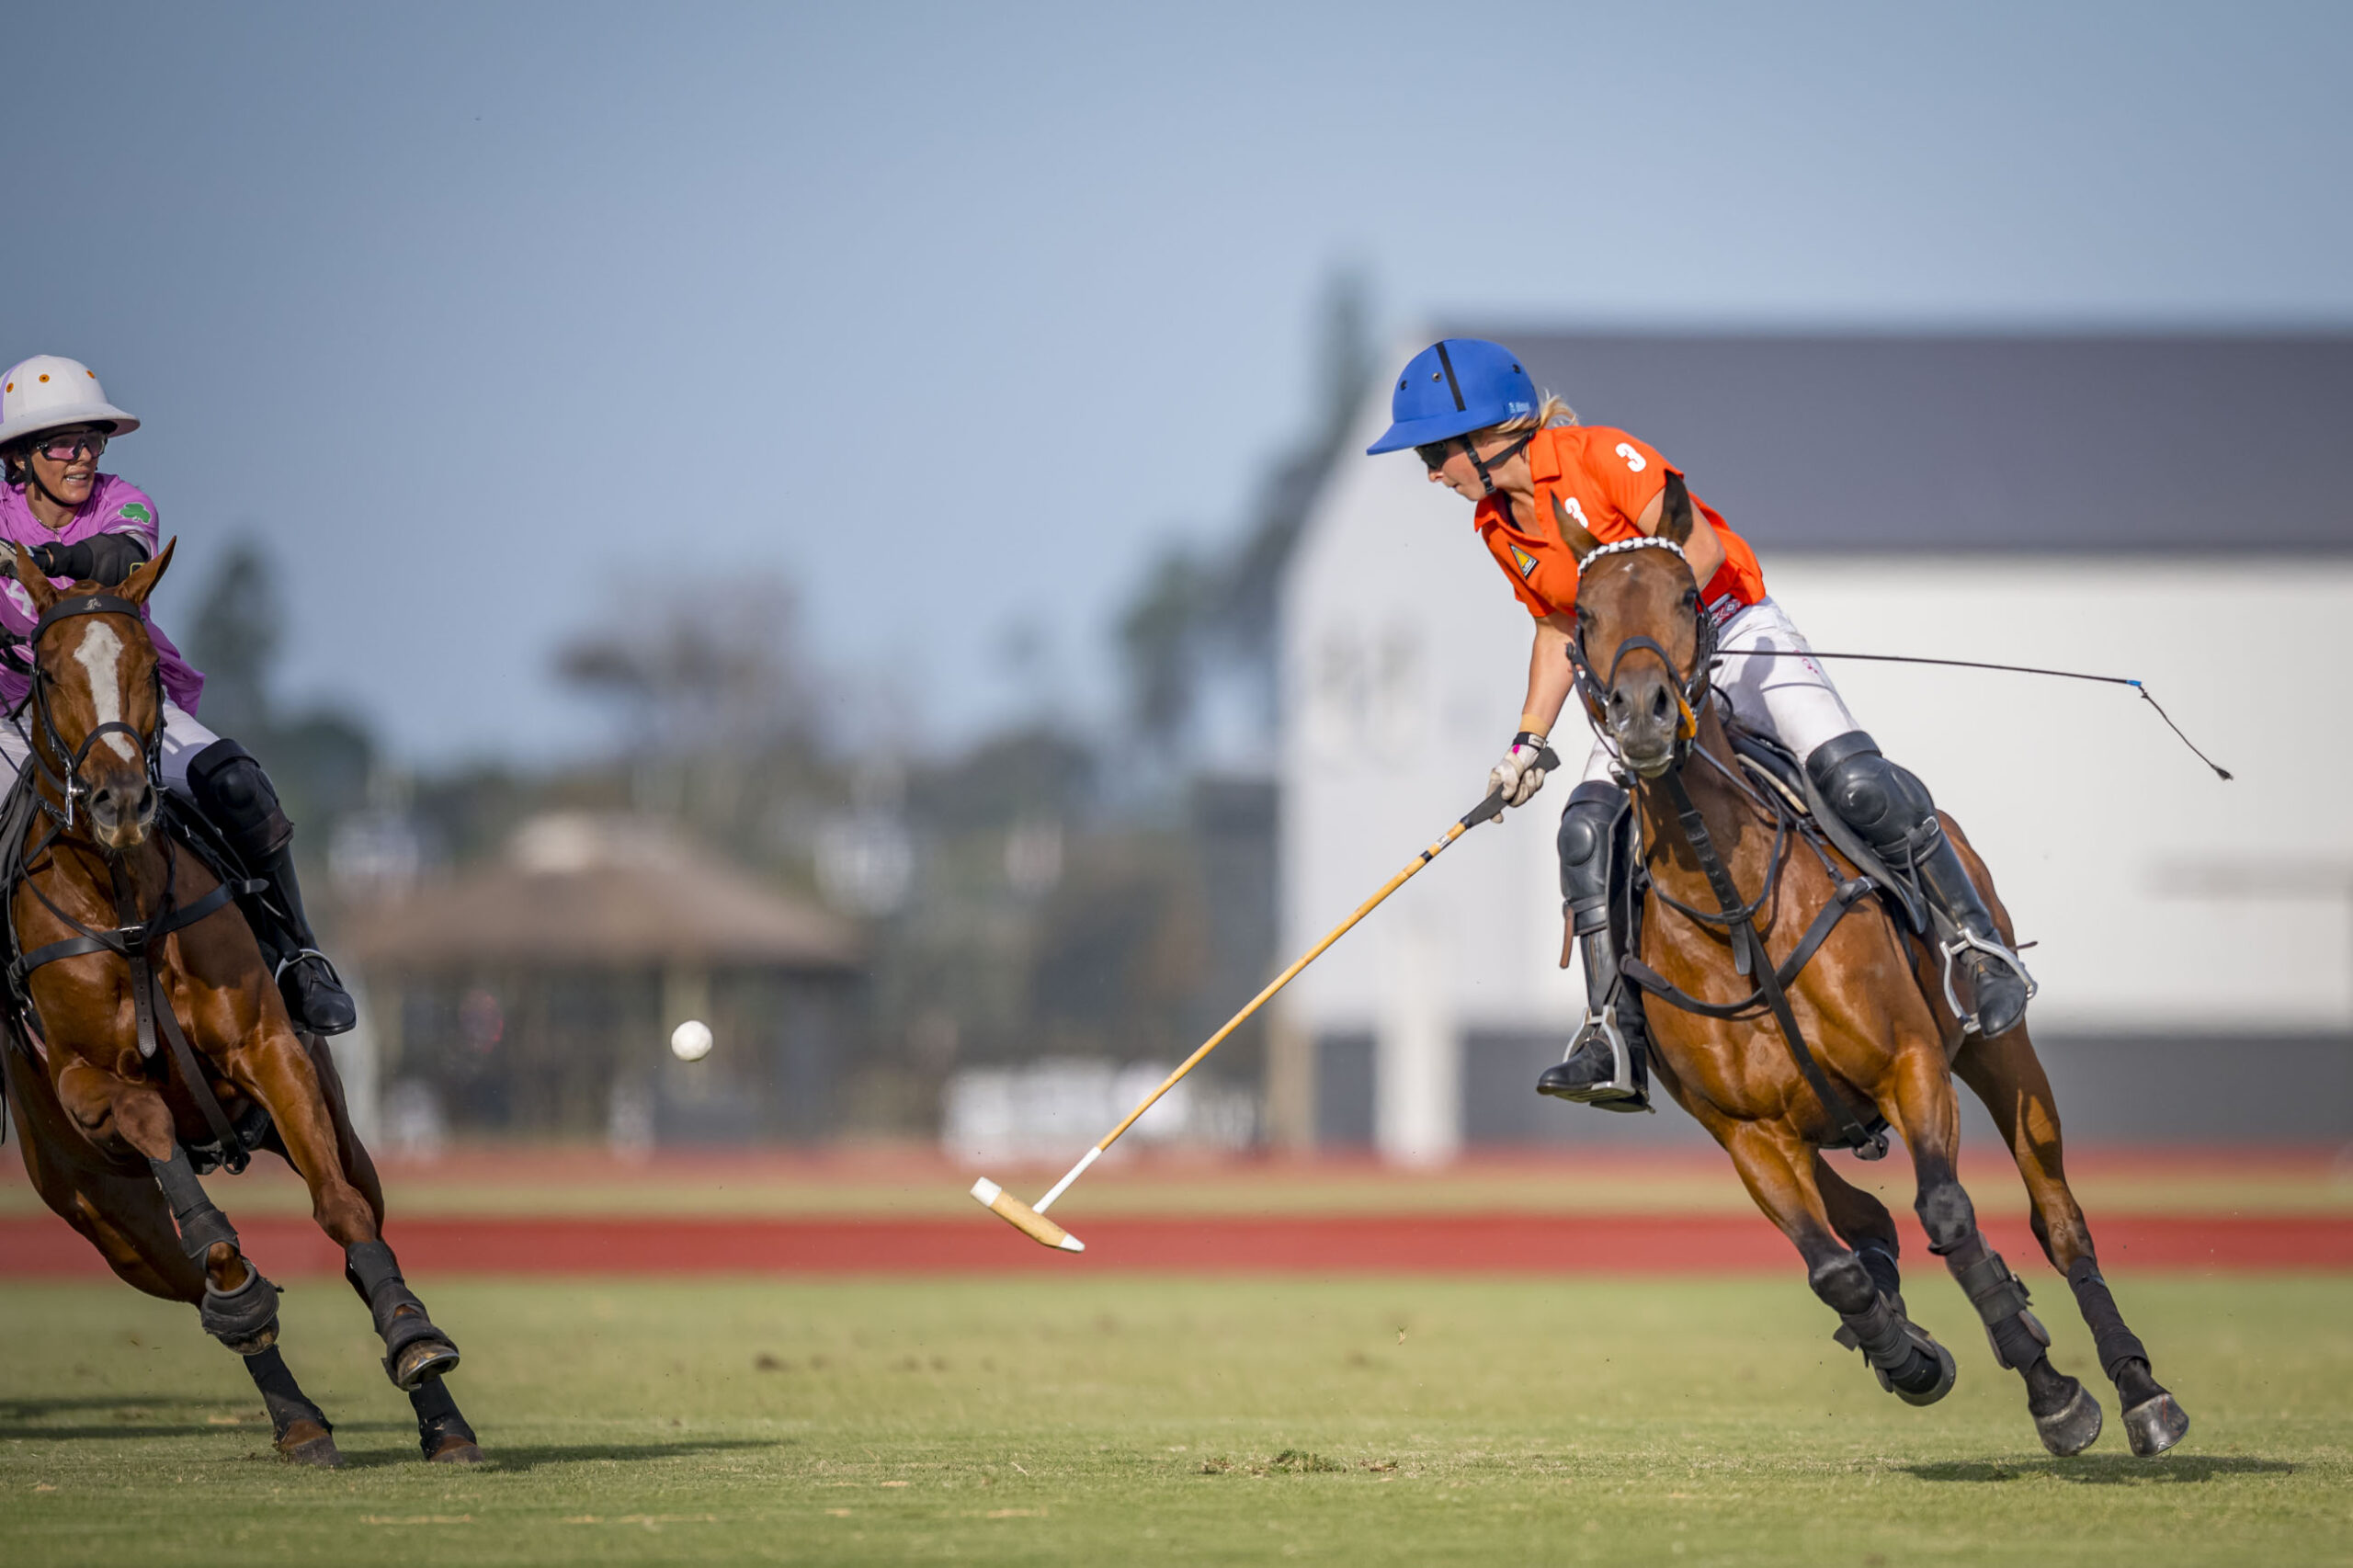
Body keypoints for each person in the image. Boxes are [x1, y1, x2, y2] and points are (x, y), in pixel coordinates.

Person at [1366, 339, 2030, 1112]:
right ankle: (1611, 1032)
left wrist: (1661, 651)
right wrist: (1527, 743)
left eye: (1435, 453)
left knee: (1853, 780)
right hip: (1638, 684)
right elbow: (1556, 625)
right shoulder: (1495, 524)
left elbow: (1702, 550)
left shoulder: (1599, 456)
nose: (1431, 473)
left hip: (1730, 628)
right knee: (1585, 832)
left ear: (1488, 435)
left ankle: (1976, 947)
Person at [0, 355, 355, 1035]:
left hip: (125, 713)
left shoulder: (124, 501)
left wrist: (37, 561)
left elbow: (123, 557)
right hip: (15, 718)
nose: (83, 457)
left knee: (238, 781)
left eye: (91, 441)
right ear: (19, 458)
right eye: (64, 444)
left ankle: (299, 956)